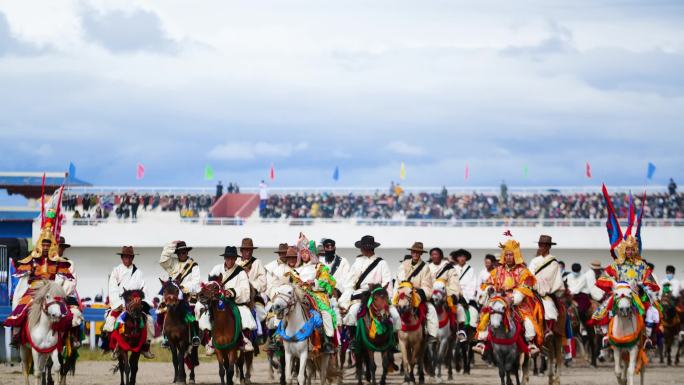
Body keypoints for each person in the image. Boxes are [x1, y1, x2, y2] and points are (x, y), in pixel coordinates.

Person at [6, 222, 77, 347]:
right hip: (34, 290)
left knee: (65, 311)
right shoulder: (32, 259)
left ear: (52, 246)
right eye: (43, 244)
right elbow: (24, 275)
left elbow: (63, 277)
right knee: (21, 308)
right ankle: (16, 335)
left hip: (50, 289)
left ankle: (64, 336)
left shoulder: (57, 262)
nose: (45, 247)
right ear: (39, 244)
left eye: (48, 245)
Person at [474, 238, 544, 356]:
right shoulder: (497, 271)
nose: (508, 257)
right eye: (506, 255)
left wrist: (514, 298)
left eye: (511, 255)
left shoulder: (523, 271)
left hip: (517, 302)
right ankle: (482, 342)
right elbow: (488, 283)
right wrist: (490, 289)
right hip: (499, 299)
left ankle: (531, 344)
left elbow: (524, 288)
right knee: (485, 315)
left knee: (528, 321)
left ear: (516, 255)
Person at [592, 236, 660, 347]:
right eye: (628, 249)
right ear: (624, 249)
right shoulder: (616, 264)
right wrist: (613, 283)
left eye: (632, 249)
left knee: (651, 310)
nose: (630, 252)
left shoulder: (641, 265)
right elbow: (604, 277)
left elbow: (649, 279)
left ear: (636, 250)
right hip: (619, 292)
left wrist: (640, 284)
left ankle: (647, 337)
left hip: (636, 294)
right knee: (604, 308)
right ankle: (606, 336)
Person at [103, 246, 155, 359]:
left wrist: (141, 301)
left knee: (149, 320)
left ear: (133, 258)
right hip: (121, 304)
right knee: (110, 321)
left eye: (130, 257)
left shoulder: (139, 273)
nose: (128, 259)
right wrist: (119, 304)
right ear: (122, 258)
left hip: (136, 303)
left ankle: (146, 347)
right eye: (125, 256)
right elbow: (112, 288)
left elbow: (143, 288)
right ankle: (113, 346)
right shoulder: (116, 271)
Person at [339, 235, 400, 331]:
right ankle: (351, 338)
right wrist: (348, 294)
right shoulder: (358, 262)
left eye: (362, 248)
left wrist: (380, 293)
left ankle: (394, 339)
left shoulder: (382, 263)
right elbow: (350, 282)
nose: (361, 250)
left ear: (368, 248)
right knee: (352, 312)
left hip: (379, 295)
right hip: (361, 294)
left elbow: (387, 282)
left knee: (395, 315)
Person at [206, 246, 258, 352]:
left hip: (234, 302)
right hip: (217, 301)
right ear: (224, 258)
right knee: (206, 313)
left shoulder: (241, 272)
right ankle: (210, 339)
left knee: (245, 313)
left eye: (232, 258)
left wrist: (232, 292)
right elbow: (209, 284)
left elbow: (245, 290)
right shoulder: (216, 269)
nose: (230, 260)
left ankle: (244, 339)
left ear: (235, 259)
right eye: (228, 258)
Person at [292, 235, 337, 353]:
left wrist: (314, 282)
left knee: (326, 313)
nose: (304, 255)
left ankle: (328, 340)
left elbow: (326, 283)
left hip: (317, 295)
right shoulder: (296, 270)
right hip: (300, 294)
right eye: (302, 253)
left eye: (306, 252)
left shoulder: (320, 267)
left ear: (311, 254)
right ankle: (278, 338)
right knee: (285, 309)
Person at [159, 240, 201, 347]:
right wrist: (171, 246)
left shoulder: (194, 265)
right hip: (172, 296)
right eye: (180, 252)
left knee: (191, 314)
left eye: (184, 252)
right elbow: (162, 260)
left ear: (187, 252)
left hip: (187, 297)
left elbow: (196, 283)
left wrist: (184, 288)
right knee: (161, 312)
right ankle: (165, 337)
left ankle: (194, 336)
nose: (182, 254)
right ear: (176, 253)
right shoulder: (172, 262)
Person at [395, 242, 438, 345]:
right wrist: (402, 290)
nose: (415, 254)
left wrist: (416, 293)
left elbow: (427, 285)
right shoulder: (404, 265)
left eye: (417, 252)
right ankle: (393, 335)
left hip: (417, 295)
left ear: (421, 254)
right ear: (411, 252)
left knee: (431, 310)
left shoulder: (425, 267)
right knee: (392, 310)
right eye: (413, 252)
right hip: (403, 294)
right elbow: (398, 280)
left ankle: (431, 334)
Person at [527, 235, 565, 341]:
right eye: (540, 245)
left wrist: (545, 288)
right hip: (532, 290)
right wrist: (533, 284)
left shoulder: (554, 262)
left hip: (546, 294)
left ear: (549, 247)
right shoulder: (534, 261)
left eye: (544, 245)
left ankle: (548, 329)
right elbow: (529, 274)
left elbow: (555, 279)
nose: (541, 247)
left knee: (549, 307)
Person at [451, 249, 479, 330]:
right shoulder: (452, 269)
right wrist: (457, 293)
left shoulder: (471, 270)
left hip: (467, 297)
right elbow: (451, 283)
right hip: (454, 295)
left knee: (473, 312)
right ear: (457, 258)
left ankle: (470, 332)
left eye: (463, 256)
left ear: (466, 258)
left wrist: (465, 297)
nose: (462, 258)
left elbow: (472, 285)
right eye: (460, 256)